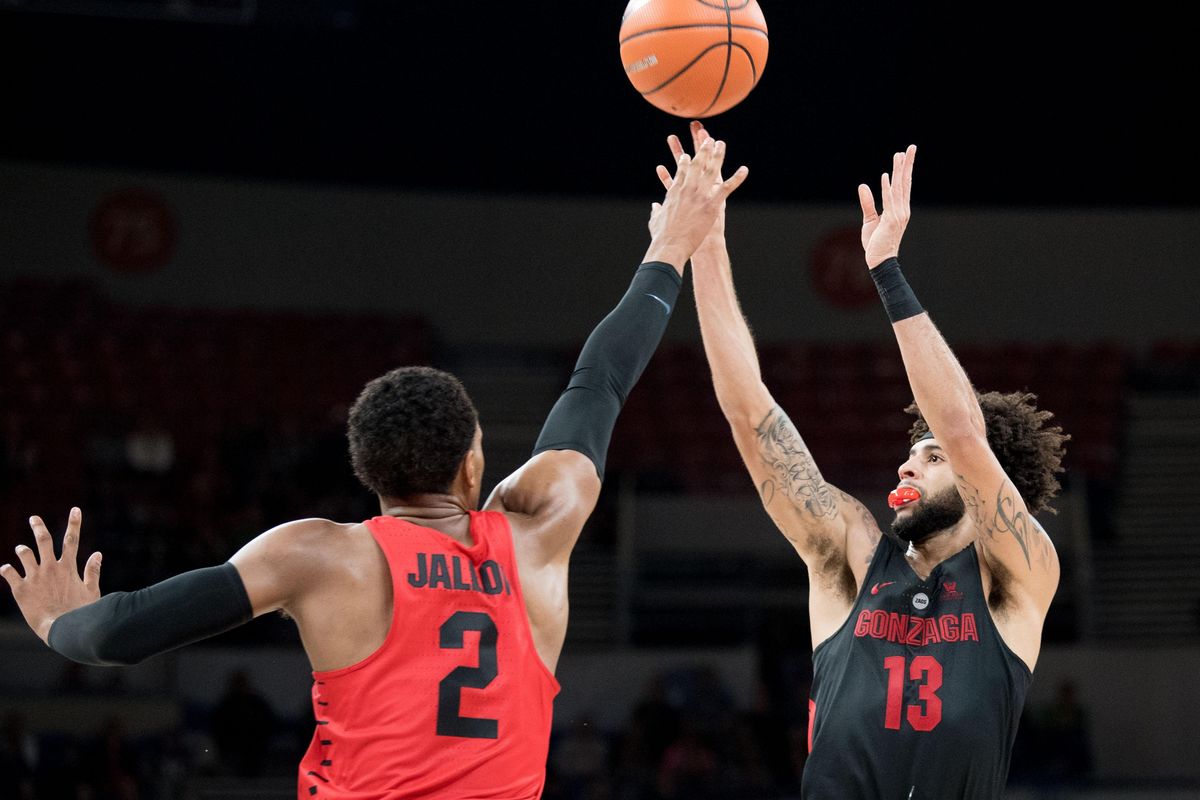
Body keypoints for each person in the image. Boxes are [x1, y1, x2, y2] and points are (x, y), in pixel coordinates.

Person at [1, 138, 748, 800]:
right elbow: (599, 383)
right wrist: (670, 248)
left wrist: (56, 623)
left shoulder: (320, 555)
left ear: (369, 472)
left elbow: (124, 632)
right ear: (471, 464)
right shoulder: (539, 535)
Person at [664, 122, 1068, 799]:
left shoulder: (1020, 577)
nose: (905, 469)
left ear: (980, 480)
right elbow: (748, 412)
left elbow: (966, 433)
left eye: (929, 457)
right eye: (909, 455)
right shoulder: (852, 553)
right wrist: (707, 240)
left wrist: (886, 272)